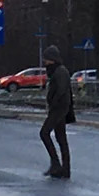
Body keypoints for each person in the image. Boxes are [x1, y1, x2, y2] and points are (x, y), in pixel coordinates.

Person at [39, 46, 73, 179]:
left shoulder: (60, 72)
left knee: (44, 133)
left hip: (59, 109)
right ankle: (64, 169)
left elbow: (62, 90)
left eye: (46, 59)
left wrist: (54, 103)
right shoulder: (57, 71)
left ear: (52, 59)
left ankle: (56, 164)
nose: (44, 61)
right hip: (59, 109)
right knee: (61, 138)